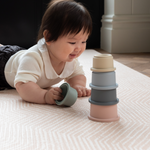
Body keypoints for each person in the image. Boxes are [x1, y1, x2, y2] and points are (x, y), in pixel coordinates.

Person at [0, 0, 92, 105]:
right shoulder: (33, 58)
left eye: (83, 41)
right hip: (3, 66)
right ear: (49, 37)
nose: (78, 48)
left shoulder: (71, 59)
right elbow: (23, 86)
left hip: (19, 55)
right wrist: (44, 96)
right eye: (72, 42)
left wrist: (78, 85)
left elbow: (77, 75)